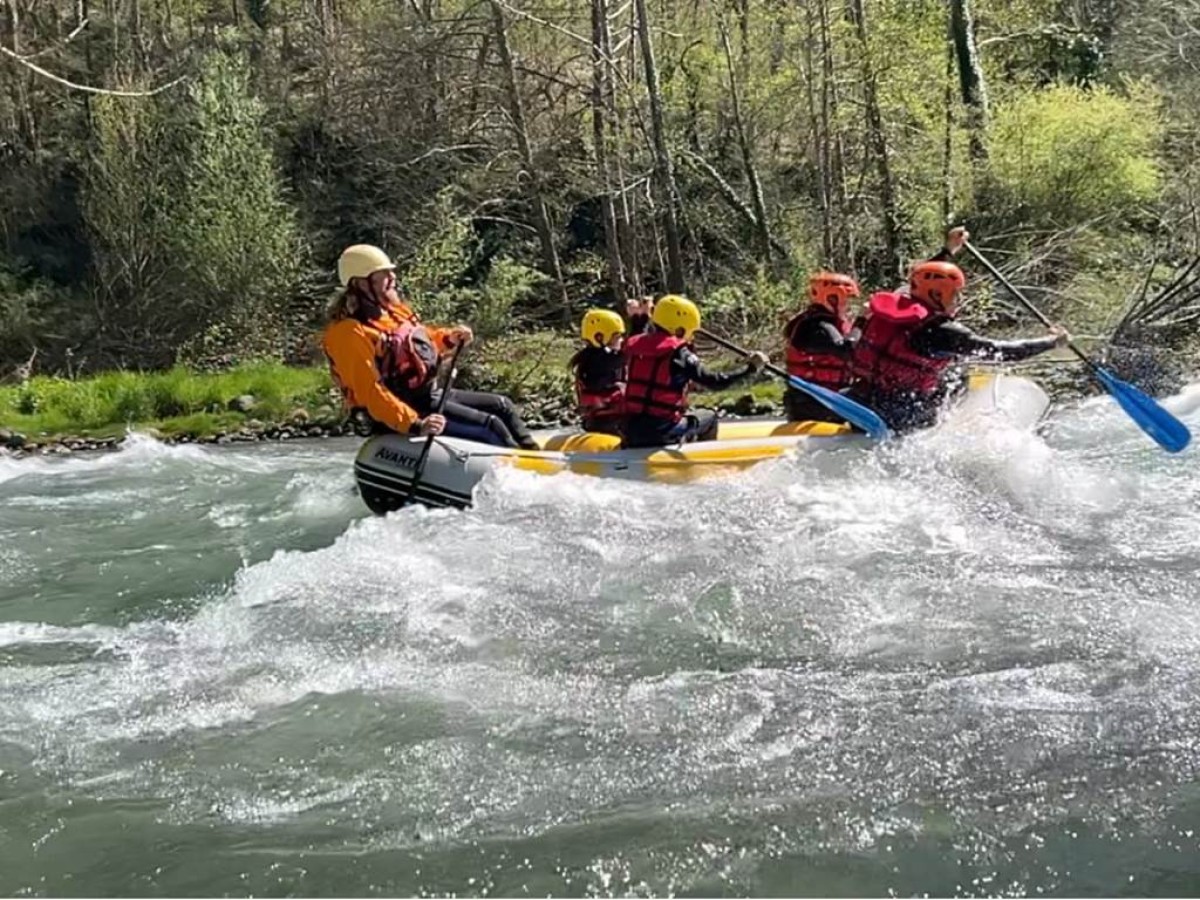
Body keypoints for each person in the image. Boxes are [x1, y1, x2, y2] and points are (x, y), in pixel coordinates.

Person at [322, 244, 539, 449]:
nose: (393, 278)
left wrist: (448, 338)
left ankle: (535, 457)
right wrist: (416, 424)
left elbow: (419, 343)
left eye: (391, 272)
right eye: (383, 274)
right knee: (490, 426)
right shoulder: (349, 333)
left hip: (427, 396)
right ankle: (524, 472)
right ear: (360, 283)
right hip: (404, 409)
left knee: (503, 405)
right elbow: (372, 392)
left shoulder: (394, 312)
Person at [847, 254, 1068, 432]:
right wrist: (1052, 342)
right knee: (959, 375)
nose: (958, 301)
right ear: (937, 294)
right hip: (901, 415)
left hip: (861, 399)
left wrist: (949, 250)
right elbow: (1004, 351)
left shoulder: (885, 313)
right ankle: (943, 430)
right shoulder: (942, 331)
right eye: (955, 294)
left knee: (952, 373)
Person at [621, 294, 768, 448]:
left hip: (631, 428)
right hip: (662, 431)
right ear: (679, 328)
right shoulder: (679, 353)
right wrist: (750, 369)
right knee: (709, 416)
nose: (691, 336)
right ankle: (702, 462)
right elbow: (715, 382)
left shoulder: (634, 345)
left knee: (684, 415)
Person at [782, 271, 862, 423]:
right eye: (846, 300)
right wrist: (862, 322)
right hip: (812, 403)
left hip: (828, 400)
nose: (848, 305)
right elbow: (846, 350)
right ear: (832, 298)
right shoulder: (815, 326)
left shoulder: (830, 324)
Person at [570, 308, 627, 435]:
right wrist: (640, 321)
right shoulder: (597, 362)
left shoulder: (588, 358)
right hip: (610, 423)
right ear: (600, 337)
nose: (622, 340)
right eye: (617, 337)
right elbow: (626, 356)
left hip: (596, 421)